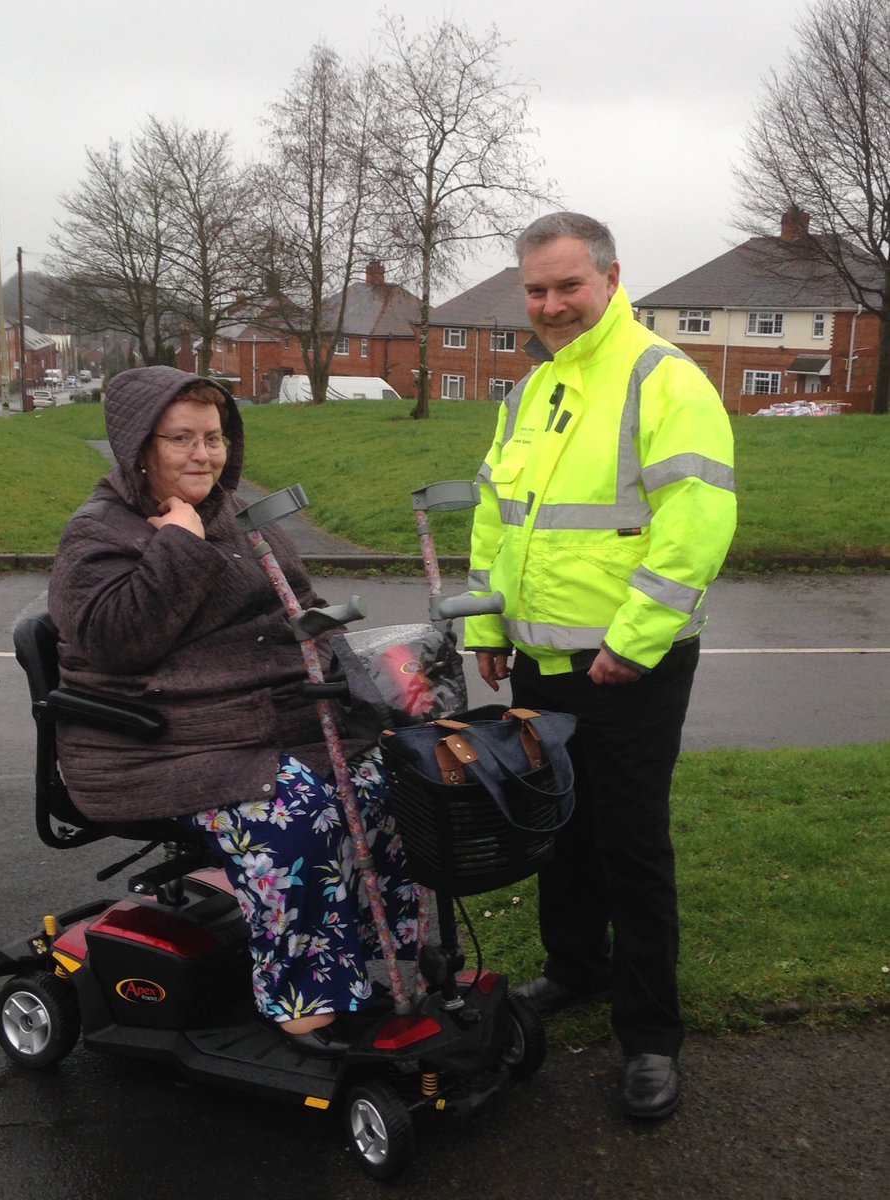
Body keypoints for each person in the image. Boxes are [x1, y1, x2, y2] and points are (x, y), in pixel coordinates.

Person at [48, 365, 417, 1056]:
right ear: (139, 447)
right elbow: (116, 641)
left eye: (213, 438)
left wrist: (365, 693)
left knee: (379, 784)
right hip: (162, 743)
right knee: (296, 811)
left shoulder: (241, 516)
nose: (202, 455)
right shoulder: (97, 533)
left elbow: (302, 612)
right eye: (180, 439)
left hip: (266, 722)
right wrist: (178, 544)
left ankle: (372, 961)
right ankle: (301, 1000)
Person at [464, 213, 737, 1120]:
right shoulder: (531, 389)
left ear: (611, 279)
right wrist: (486, 628)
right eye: (536, 290)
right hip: (538, 660)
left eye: (567, 286)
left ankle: (650, 1036)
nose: (551, 305)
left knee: (628, 845)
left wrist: (633, 639)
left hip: (631, 667)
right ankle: (575, 971)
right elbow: (496, 519)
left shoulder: (664, 379)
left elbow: (695, 525)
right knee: (557, 830)